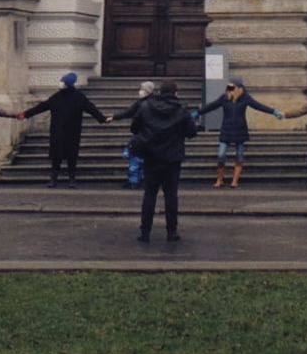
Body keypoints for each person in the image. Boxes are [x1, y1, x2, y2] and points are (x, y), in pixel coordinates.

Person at [129, 80, 200, 245]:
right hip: (172, 159)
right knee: (171, 195)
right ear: (176, 92)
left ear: (159, 92)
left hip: (151, 157)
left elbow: (134, 128)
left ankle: (145, 232)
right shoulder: (181, 110)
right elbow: (191, 132)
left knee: (149, 195)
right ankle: (171, 232)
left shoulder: (146, 107)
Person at [19, 72, 110, 188]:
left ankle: (69, 178)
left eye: (62, 82)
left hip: (70, 131)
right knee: (57, 156)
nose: (60, 84)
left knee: (70, 156)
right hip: (60, 131)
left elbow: (91, 109)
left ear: (68, 84)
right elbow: (42, 106)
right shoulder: (59, 97)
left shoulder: (76, 97)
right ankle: (55, 178)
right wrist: (26, 114)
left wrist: (102, 118)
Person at [199, 77, 283, 188]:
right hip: (226, 130)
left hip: (240, 130)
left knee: (239, 156)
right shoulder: (225, 98)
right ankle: (220, 180)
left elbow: (258, 106)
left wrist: (273, 112)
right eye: (229, 87)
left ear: (239, 88)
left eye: (232, 87)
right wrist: (198, 112)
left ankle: (234, 181)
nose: (230, 90)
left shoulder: (245, 98)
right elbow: (212, 106)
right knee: (221, 155)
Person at [113, 80, 155, 189]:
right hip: (147, 134)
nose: (140, 91)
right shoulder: (141, 102)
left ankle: (136, 180)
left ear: (147, 91)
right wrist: (114, 117)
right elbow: (129, 112)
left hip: (144, 134)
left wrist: (135, 129)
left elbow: (133, 116)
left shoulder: (145, 104)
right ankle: (140, 180)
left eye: (142, 89)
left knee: (138, 159)